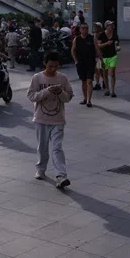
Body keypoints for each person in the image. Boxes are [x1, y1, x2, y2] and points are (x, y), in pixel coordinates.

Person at [27, 51, 73, 189]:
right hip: (41, 119)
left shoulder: (63, 79)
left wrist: (60, 92)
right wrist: (47, 91)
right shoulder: (37, 78)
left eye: (56, 67)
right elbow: (31, 96)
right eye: (50, 66)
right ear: (45, 64)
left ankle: (61, 175)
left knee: (57, 148)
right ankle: (41, 168)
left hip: (58, 119)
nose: (53, 69)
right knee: (42, 147)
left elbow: (69, 97)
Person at [71, 22, 98, 107]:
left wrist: (101, 60)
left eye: (86, 28)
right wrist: (76, 60)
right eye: (83, 28)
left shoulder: (92, 38)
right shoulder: (77, 39)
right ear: (80, 29)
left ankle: (89, 100)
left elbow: (97, 49)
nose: (85, 30)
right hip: (81, 63)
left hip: (90, 63)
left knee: (89, 81)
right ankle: (85, 98)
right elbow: (73, 50)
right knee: (83, 81)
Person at [97, 22, 120, 98]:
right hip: (104, 57)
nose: (112, 27)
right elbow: (98, 45)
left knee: (112, 72)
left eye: (112, 26)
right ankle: (107, 89)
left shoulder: (115, 34)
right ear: (106, 26)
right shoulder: (102, 35)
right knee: (105, 73)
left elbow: (117, 44)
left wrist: (117, 47)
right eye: (110, 26)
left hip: (113, 56)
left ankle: (113, 91)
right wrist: (107, 43)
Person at [92, 22, 104, 90]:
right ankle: (98, 83)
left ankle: (104, 81)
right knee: (96, 70)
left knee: (100, 69)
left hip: (100, 55)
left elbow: (99, 44)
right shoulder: (93, 35)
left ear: (99, 28)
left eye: (96, 27)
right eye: (94, 26)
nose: (94, 28)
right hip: (94, 55)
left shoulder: (102, 35)